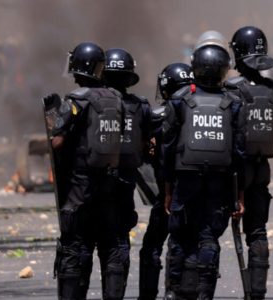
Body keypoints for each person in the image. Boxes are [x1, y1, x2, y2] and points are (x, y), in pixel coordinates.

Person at [163, 41, 244, 299]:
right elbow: (239, 154)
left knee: (178, 238)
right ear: (224, 70)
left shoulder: (179, 100)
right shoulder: (233, 102)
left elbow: (167, 148)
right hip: (219, 184)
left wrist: (167, 189)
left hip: (184, 182)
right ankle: (204, 293)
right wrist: (238, 195)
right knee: (209, 238)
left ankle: (173, 291)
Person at [49, 42, 125, 300]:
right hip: (109, 187)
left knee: (74, 249)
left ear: (78, 68)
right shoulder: (116, 99)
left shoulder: (76, 100)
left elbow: (57, 142)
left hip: (80, 189)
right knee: (110, 249)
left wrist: (52, 119)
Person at [225, 26, 273, 300]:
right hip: (261, 168)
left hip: (231, 172)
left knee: (206, 233)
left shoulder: (229, 90)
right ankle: (257, 293)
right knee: (257, 232)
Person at [138, 62, 194, 300]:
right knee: (190, 244)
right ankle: (178, 291)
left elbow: (144, 151)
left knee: (152, 246)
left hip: (168, 193)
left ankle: (149, 295)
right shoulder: (203, 108)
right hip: (198, 192)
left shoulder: (158, 115)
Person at [102, 47, 149, 298]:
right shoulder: (139, 107)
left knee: (85, 242)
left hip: (91, 184)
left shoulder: (86, 103)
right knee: (119, 240)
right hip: (124, 182)